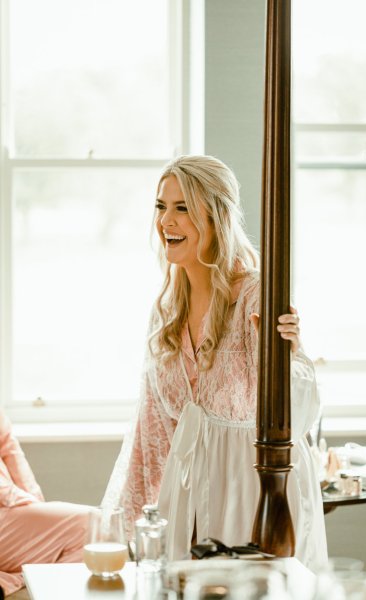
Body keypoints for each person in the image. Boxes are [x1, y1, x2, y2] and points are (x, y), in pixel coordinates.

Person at [103, 155, 328, 572]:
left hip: (253, 494)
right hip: (185, 498)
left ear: (217, 215)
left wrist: (290, 356)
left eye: (182, 207)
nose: (166, 220)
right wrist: (129, 528)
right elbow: (150, 431)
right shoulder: (167, 310)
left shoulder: (257, 296)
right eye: (161, 206)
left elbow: (296, 418)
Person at [0, 410, 90, 597]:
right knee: (92, 524)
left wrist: (36, 505)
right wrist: (14, 498)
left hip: (9, 505)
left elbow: (10, 450)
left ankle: (18, 580)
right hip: (5, 503)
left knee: (97, 525)